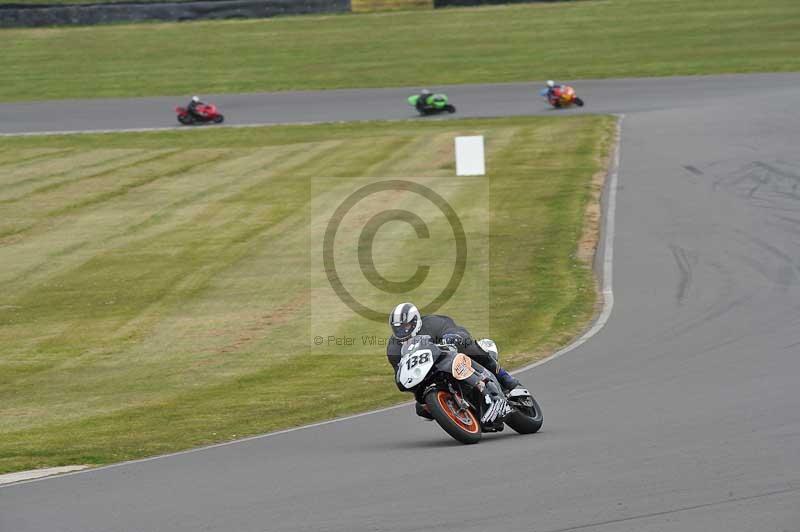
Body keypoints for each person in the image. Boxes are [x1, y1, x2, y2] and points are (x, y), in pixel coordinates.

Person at [386, 302, 521, 422]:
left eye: (406, 326)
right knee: (421, 409)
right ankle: (457, 410)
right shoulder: (394, 348)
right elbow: (401, 374)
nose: (401, 331)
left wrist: (453, 336)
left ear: (416, 321)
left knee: (469, 347)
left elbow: (454, 329)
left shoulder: (433, 323)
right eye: (397, 328)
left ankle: (505, 378)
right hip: (429, 373)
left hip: (450, 356)